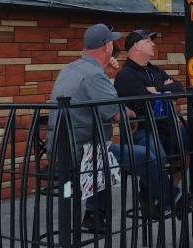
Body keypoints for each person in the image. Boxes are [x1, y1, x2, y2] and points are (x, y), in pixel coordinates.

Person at [46, 23, 174, 234]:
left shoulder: (71, 68)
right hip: (81, 154)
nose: (115, 46)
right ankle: (172, 199)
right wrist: (132, 112)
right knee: (146, 156)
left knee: (105, 153)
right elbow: (118, 114)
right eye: (112, 42)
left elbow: (95, 96)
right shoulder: (95, 76)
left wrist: (106, 71)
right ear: (106, 47)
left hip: (59, 150)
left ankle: (95, 215)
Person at [113, 29, 193, 204]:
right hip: (143, 131)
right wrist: (163, 91)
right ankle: (162, 199)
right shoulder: (125, 75)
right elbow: (146, 103)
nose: (153, 44)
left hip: (168, 129)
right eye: (148, 41)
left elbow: (178, 88)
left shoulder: (154, 70)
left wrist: (157, 91)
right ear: (136, 46)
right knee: (154, 153)